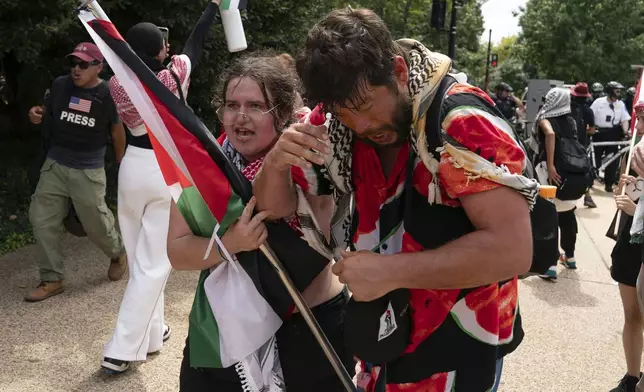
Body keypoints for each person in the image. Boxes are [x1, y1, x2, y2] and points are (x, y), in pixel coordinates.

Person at [254, 8, 535, 391]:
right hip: (383, 342)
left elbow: (513, 250)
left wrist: (390, 272)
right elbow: (272, 211)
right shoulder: (338, 123)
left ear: (399, 73)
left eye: (368, 105)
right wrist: (275, 163)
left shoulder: (461, 119)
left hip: (457, 351)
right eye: (346, 113)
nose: (363, 125)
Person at [167, 52, 351, 392]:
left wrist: (278, 161)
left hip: (308, 332)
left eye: (254, 106)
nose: (240, 117)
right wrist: (230, 244)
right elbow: (177, 251)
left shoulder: (311, 159)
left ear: (281, 113)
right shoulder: (208, 166)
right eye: (231, 105)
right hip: (227, 326)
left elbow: (276, 209)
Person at [100, 0, 222, 374]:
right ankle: (121, 348)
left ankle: (153, 333)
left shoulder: (116, 83)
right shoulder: (172, 77)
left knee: (141, 257)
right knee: (154, 263)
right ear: (158, 51)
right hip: (162, 168)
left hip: (131, 170)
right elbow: (195, 46)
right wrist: (212, 8)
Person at [25, 42, 126, 302]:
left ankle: (117, 253)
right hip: (56, 163)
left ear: (98, 66)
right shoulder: (60, 85)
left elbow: (117, 131)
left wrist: (121, 163)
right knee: (41, 217)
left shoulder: (107, 94)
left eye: (83, 64)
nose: (76, 70)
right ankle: (52, 278)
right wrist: (37, 113)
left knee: (95, 225)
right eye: (74, 63)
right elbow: (50, 110)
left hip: (88, 169)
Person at [534, 87, 583, 279]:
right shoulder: (570, 120)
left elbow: (550, 134)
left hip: (549, 171)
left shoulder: (545, 117)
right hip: (569, 172)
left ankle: (550, 264)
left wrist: (552, 165)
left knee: (548, 216)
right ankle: (569, 256)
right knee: (568, 215)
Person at [591, 81, 631, 192]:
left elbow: (624, 119)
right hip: (598, 134)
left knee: (613, 160)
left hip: (613, 134)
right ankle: (590, 180)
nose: (619, 93)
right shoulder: (598, 102)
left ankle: (609, 183)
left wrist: (626, 132)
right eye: (617, 91)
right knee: (595, 159)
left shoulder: (620, 104)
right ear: (610, 91)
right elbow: (590, 116)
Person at [570, 82, 598, 208]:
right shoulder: (588, 110)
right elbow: (592, 129)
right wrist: (584, 132)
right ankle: (587, 196)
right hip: (581, 145)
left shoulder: (567, 107)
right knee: (583, 170)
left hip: (565, 144)